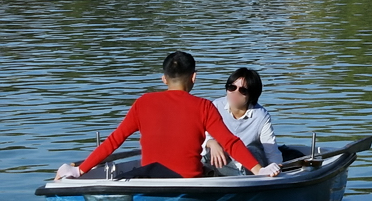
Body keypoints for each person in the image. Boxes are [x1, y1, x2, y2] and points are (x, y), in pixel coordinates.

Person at [55, 52, 279, 180]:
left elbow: (115, 140)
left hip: (150, 180)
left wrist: (78, 169)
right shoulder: (204, 106)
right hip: (188, 183)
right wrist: (260, 170)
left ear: (164, 79)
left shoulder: (143, 102)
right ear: (194, 78)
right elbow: (230, 142)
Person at [203, 67, 282, 175]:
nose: (235, 93)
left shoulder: (261, 115)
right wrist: (211, 142)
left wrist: (277, 169)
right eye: (232, 87)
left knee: (252, 150)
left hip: (251, 165)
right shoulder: (215, 106)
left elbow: (271, 149)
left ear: (252, 95)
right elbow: (203, 134)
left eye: (243, 90)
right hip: (224, 161)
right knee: (209, 152)